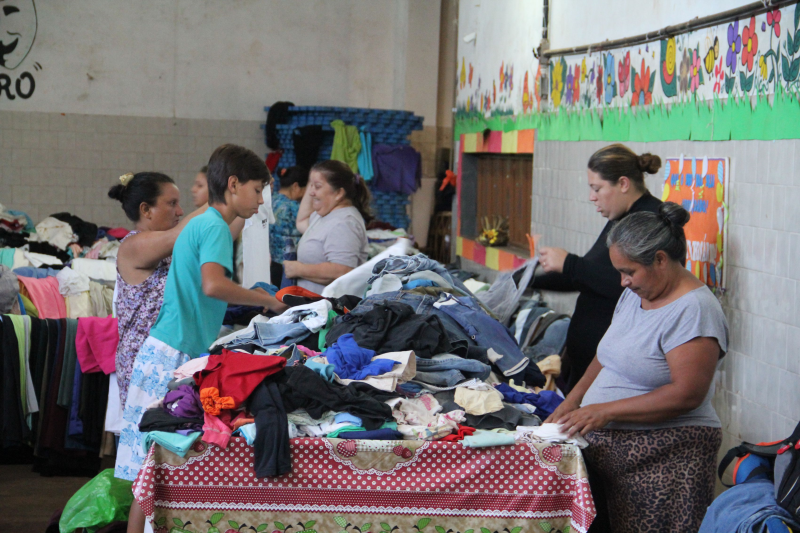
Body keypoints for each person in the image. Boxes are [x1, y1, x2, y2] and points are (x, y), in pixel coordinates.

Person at [117, 145, 287, 532]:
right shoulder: (212, 228)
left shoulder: (205, 223)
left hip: (164, 348)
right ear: (233, 185)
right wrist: (265, 300)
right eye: (257, 190)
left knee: (150, 471)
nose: (261, 201)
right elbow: (213, 285)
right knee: (153, 469)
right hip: (172, 354)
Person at [546, 202, 728, 533]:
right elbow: (607, 356)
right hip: (614, 454)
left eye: (629, 272)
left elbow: (686, 394)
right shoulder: (637, 292)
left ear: (660, 259)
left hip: (668, 457)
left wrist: (604, 411)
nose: (623, 282)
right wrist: (571, 402)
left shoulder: (694, 310)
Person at [532, 144, 662, 392]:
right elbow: (589, 277)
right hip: (589, 365)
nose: (592, 197)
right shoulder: (622, 217)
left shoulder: (648, 220)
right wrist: (529, 280)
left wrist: (569, 263)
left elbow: (627, 286)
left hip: (617, 373)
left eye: (597, 189)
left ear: (623, 184)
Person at [108, 172, 242, 409]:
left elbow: (218, 233)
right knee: (148, 439)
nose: (180, 211)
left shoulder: (170, 247)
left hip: (175, 355)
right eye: (172, 204)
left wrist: (241, 206)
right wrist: (228, 197)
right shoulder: (133, 245)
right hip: (144, 360)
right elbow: (185, 231)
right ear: (146, 210)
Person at [283, 160, 370, 294]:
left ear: (339, 193)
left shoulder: (345, 223)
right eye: (310, 185)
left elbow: (342, 270)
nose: (310, 192)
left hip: (331, 311)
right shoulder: (323, 215)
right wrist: (314, 178)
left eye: (317, 186)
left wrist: (299, 269)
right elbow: (301, 221)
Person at [269, 166, 307, 284]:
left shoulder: (269, 200)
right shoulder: (294, 208)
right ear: (295, 186)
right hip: (290, 268)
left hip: (272, 265)